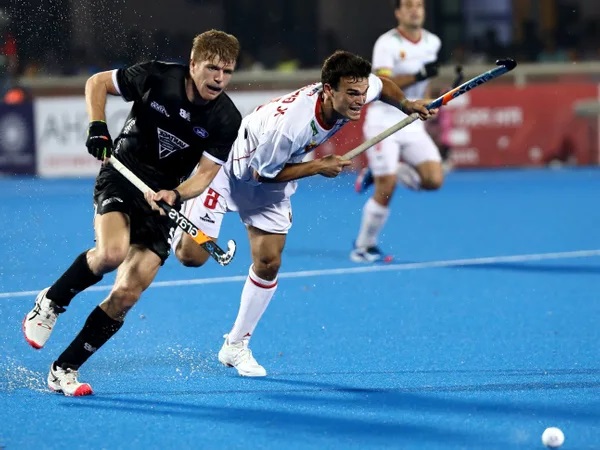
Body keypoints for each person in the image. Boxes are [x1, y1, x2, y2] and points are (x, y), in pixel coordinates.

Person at [168, 50, 435, 377]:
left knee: (269, 262)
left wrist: (406, 105)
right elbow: (261, 174)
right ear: (328, 90)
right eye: (352, 94)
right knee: (192, 257)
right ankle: (176, 212)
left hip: (274, 169)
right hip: (229, 168)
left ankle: (235, 345)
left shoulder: (355, 90)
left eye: (362, 94)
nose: (359, 101)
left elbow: (384, 85)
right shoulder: (291, 125)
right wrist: (318, 166)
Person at [22, 30, 242, 396]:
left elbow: (204, 175)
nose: (219, 78)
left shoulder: (227, 118)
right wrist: (97, 125)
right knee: (112, 253)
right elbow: (97, 83)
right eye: (212, 68)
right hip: (122, 175)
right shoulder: (158, 76)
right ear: (193, 64)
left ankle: (64, 369)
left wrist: (176, 194)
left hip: (162, 199)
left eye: (227, 71)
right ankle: (51, 301)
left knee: (127, 295)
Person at [350, 0, 443, 263]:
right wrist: (418, 75)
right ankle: (363, 246)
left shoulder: (432, 42)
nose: (415, 10)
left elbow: (426, 82)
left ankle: (390, 170)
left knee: (433, 180)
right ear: (398, 13)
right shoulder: (386, 43)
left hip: (412, 121)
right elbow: (383, 83)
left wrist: (427, 101)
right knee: (386, 187)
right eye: (409, 6)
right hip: (384, 121)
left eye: (419, 6)